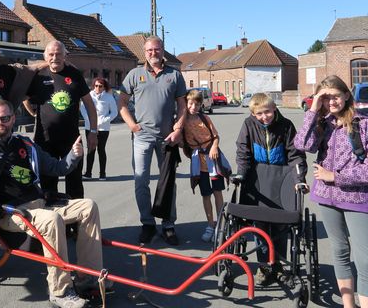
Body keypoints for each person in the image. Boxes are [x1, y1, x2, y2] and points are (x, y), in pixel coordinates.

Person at [0, 99, 108, 308]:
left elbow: (58, 168)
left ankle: (89, 278)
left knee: (89, 206)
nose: (0, 123)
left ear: (13, 118)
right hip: (9, 212)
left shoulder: (27, 145)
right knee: (52, 219)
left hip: (38, 204)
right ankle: (60, 290)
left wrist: (73, 156)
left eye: (4, 118)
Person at [295, 76, 368, 308]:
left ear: (347, 95)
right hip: (327, 198)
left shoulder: (363, 124)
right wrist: (314, 110)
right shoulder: (322, 123)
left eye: (335, 95)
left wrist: (335, 177)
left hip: (357, 198)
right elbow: (302, 145)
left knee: (365, 260)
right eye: (325, 97)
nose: (331, 101)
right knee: (339, 251)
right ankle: (348, 305)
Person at [118, 36, 186, 245]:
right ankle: (147, 224)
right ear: (144, 52)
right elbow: (121, 101)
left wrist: (178, 128)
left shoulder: (175, 75)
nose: (153, 53)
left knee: (168, 183)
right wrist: (132, 125)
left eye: (156, 49)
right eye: (149, 50)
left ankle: (168, 225)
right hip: (142, 137)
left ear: (162, 50)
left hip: (167, 138)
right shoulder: (134, 74)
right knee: (141, 181)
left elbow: (182, 105)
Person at [235, 92, 307, 285]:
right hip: (257, 178)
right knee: (260, 227)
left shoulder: (286, 126)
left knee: (281, 226)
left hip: (282, 179)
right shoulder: (248, 125)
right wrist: (241, 174)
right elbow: (243, 152)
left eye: (267, 111)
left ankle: (279, 265)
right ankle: (264, 267)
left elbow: (295, 155)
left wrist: (299, 178)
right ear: (253, 114)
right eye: (259, 114)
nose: (264, 116)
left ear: (274, 109)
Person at [25, 40, 98, 200]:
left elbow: (90, 106)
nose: (54, 57)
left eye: (58, 54)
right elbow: (24, 97)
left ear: (65, 55)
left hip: (72, 140)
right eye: (51, 54)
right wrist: (33, 113)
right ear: (45, 56)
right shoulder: (38, 76)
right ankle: (54, 222)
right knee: (48, 185)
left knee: (75, 184)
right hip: (45, 141)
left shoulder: (75, 74)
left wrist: (93, 132)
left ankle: (76, 223)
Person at [182, 89, 230, 243]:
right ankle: (210, 225)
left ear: (201, 105)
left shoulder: (205, 118)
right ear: (186, 104)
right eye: (190, 103)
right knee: (205, 194)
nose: (193, 107)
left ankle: (221, 224)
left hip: (212, 160)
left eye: (197, 104)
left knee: (217, 192)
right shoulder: (182, 121)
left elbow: (216, 136)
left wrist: (215, 147)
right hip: (199, 162)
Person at [81, 77, 117, 181]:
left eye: (100, 86)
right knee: (91, 150)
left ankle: (102, 174)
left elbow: (114, 112)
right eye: (96, 86)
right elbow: (83, 109)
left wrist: (103, 121)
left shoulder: (108, 97)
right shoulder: (89, 95)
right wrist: (90, 121)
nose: (98, 88)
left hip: (103, 128)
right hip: (89, 127)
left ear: (104, 87)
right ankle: (88, 173)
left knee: (101, 150)